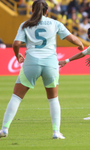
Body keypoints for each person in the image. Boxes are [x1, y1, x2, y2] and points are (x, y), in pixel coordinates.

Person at [0, 0, 84, 139]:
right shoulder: (55, 23)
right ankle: (56, 132)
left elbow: (16, 43)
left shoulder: (25, 24)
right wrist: (80, 45)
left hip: (31, 62)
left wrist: (17, 55)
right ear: (46, 11)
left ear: (32, 10)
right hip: (50, 63)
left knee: (16, 97)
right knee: (53, 99)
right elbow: (73, 39)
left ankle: (4, 129)